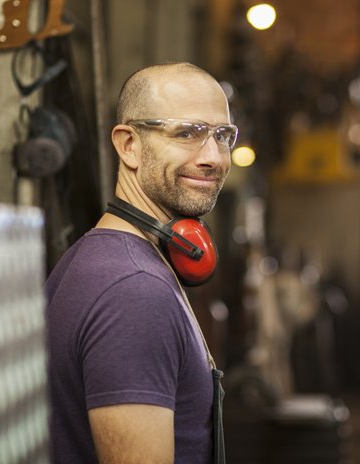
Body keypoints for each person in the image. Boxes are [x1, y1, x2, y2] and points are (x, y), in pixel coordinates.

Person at [45, 62, 238, 463]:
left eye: (223, 136)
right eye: (187, 133)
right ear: (128, 144)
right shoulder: (134, 292)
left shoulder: (98, 259)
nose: (214, 157)